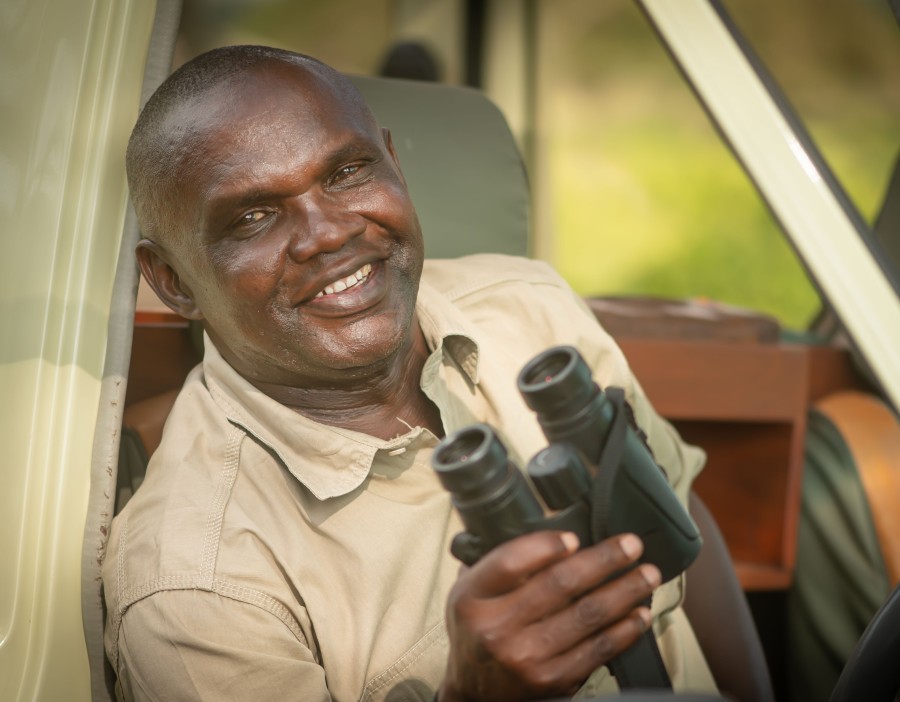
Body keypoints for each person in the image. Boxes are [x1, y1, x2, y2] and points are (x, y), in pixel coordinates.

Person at [102, 45, 720, 702]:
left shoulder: (529, 305)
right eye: (252, 217)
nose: (328, 234)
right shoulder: (196, 583)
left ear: (394, 162)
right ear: (172, 281)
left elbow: (683, 521)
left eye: (346, 173)